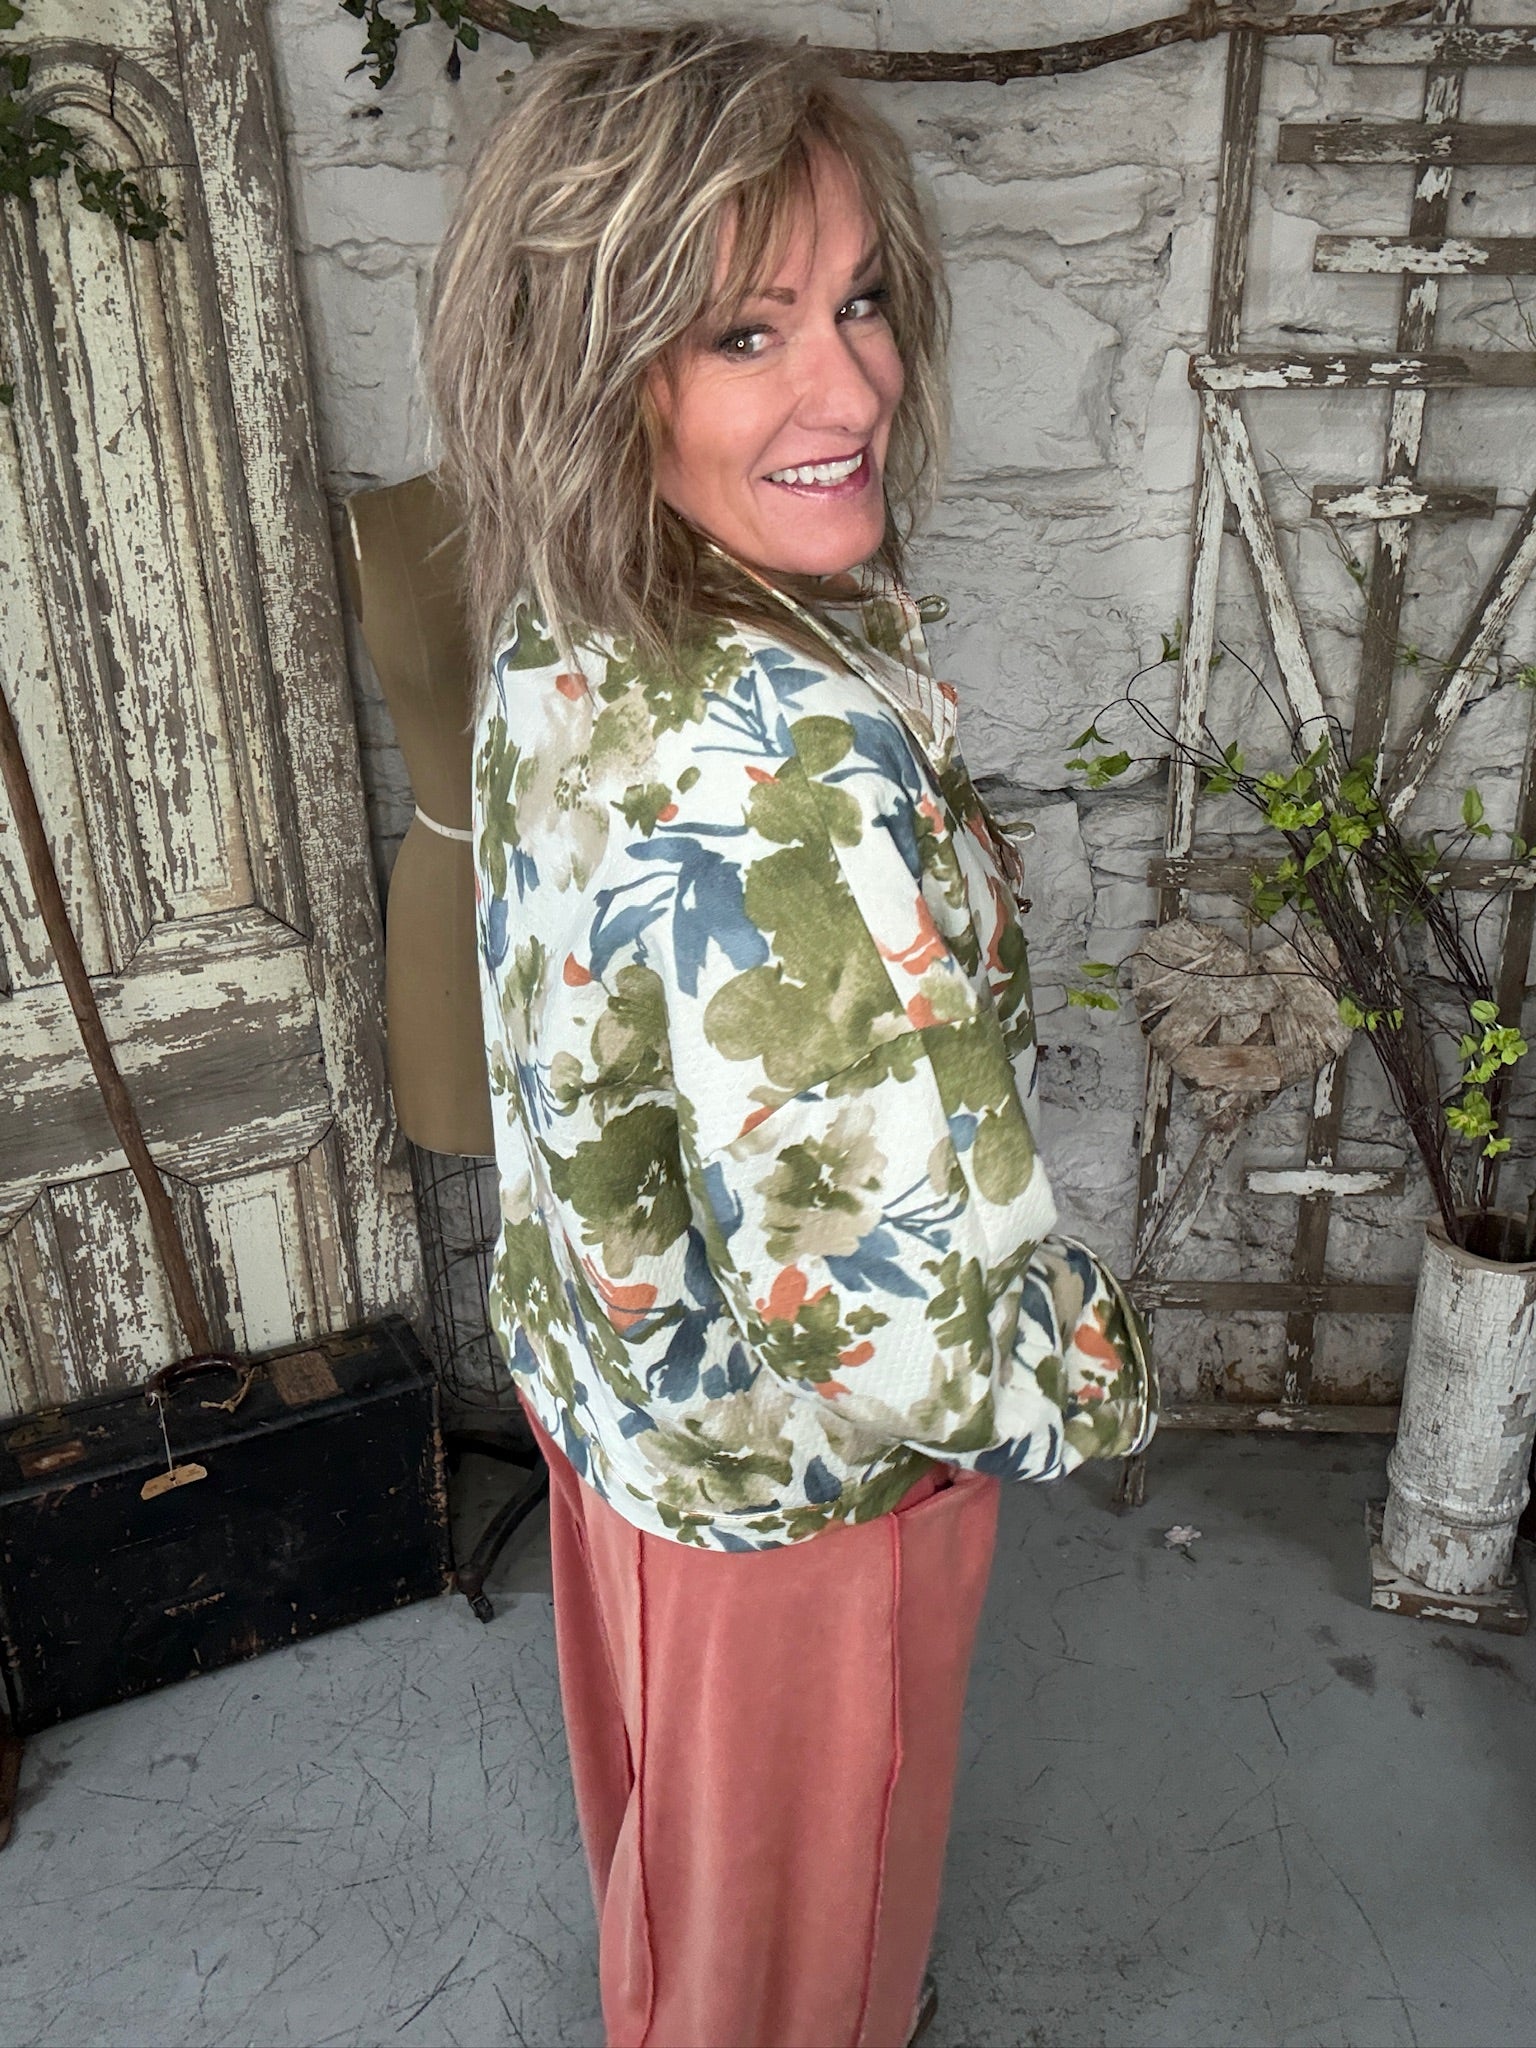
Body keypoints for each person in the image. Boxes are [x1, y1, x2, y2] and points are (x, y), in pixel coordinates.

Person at [425, 24, 1155, 2048]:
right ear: (594, 370)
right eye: (746, 333)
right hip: (801, 1498)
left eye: (860, 302)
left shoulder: (577, 617)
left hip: (624, 1399)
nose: (854, 387)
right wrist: (1092, 1375)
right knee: (796, 1969)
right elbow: (895, 1321)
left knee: (686, 1877)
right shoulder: (795, 765)